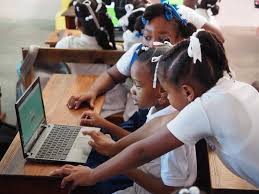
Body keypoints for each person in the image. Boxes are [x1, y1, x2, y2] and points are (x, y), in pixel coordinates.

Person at [51, 30, 259, 188]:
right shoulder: (228, 85)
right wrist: (115, 147)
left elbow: (142, 151)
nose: (165, 97)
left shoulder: (204, 108)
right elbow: (161, 123)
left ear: (187, 91)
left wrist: (92, 176)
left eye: (167, 92)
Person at [77, 45, 197, 194]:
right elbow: (142, 143)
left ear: (162, 91)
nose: (132, 90)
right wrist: (105, 125)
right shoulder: (159, 110)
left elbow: (165, 190)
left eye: (138, 85)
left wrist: (115, 154)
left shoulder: (175, 134)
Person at [66, 2, 218, 113]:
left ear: (182, 40)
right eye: (147, 36)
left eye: (164, 39)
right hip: (138, 117)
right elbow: (112, 75)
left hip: (172, 126)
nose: (153, 44)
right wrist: (92, 91)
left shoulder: (187, 63)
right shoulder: (138, 51)